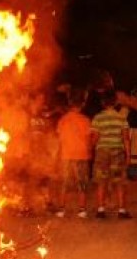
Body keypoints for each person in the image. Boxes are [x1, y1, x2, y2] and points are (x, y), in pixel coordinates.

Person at [90, 91, 131, 219]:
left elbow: (95, 137)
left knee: (101, 180)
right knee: (119, 182)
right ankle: (121, 210)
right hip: (117, 151)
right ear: (116, 102)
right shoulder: (121, 118)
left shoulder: (98, 118)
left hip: (102, 151)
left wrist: (91, 149)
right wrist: (128, 155)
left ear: (103, 103)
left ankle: (101, 209)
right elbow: (125, 138)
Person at [55, 88, 92, 218]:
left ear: (70, 104)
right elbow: (89, 138)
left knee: (64, 183)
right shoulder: (85, 120)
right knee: (81, 183)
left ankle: (61, 209)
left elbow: (60, 139)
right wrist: (89, 151)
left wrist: (57, 155)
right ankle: (82, 210)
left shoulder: (63, 120)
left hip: (66, 156)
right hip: (81, 155)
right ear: (82, 104)